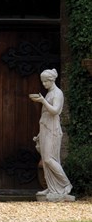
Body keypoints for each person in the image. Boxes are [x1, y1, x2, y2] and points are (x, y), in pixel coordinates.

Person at [29, 69, 73, 200]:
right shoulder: (49, 93)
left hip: (53, 129)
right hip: (45, 127)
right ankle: (51, 186)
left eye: (45, 81)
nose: (43, 84)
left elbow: (55, 111)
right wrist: (39, 134)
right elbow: (45, 115)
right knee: (45, 157)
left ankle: (66, 184)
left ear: (51, 80)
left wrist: (43, 101)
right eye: (42, 81)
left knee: (49, 159)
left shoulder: (58, 93)